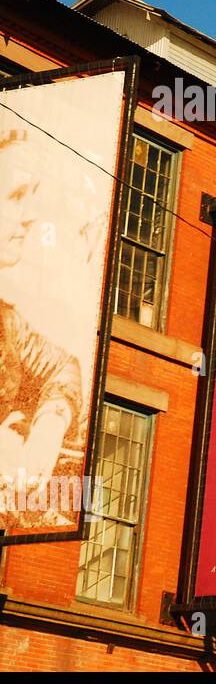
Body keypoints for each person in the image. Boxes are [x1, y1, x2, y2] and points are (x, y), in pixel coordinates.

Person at [0, 126, 81, 499]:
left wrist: (50, 423)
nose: (30, 215)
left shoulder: (7, 321)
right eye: (16, 196)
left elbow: (62, 366)